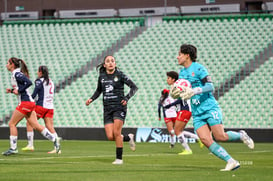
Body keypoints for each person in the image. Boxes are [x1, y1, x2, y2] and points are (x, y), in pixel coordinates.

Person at [171, 44, 254, 171]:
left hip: (209, 107)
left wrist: (195, 90)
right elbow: (184, 93)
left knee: (220, 136)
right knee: (205, 139)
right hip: (197, 112)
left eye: (180, 54)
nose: (177, 57)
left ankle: (241, 135)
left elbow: (210, 87)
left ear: (187, 55)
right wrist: (177, 94)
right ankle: (231, 161)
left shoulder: (199, 69)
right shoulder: (181, 73)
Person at [85, 55, 138, 165]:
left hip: (119, 107)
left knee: (116, 132)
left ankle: (119, 159)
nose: (110, 63)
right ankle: (129, 137)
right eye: (108, 61)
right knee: (110, 136)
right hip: (107, 108)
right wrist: (91, 99)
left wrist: (127, 98)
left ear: (115, 63)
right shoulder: (102, 77)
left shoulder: (120, 74)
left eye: (112, 61)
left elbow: (134, 87)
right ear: (104, 65)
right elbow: (99, 91)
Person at [3, 57, 61, 156]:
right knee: (35, 125)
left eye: (8, 63)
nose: (6, 65)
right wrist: (12, 91)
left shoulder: (17, 74)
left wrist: (19, 91)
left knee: (12, 124)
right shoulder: (16, 74)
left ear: (12, 64)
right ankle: (54, 139)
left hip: (25, 103)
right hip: (29, 102)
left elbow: (28, 83)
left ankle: (13, 148)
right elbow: (21, 89)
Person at [162, 71, 203, 155]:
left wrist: (170, 105)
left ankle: (188, 149)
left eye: (168, 78)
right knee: (177, 131)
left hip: (185, 109)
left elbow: (181, 99)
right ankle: (195, 140)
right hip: (183, 110)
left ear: (173, 79)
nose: (167, 80)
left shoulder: (178, 87)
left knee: (176, 131)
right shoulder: (179, 86)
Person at [22, 65, 60, 154]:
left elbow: (35, 93)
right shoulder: (51, 81)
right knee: (50, 127)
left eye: (38, 71)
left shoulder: (39, 81)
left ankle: (30, 145)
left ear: (40, 72)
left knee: (29, 123)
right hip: (50, 107)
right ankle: (57, 147)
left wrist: (28, 100)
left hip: (41, 106)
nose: (37, 73)